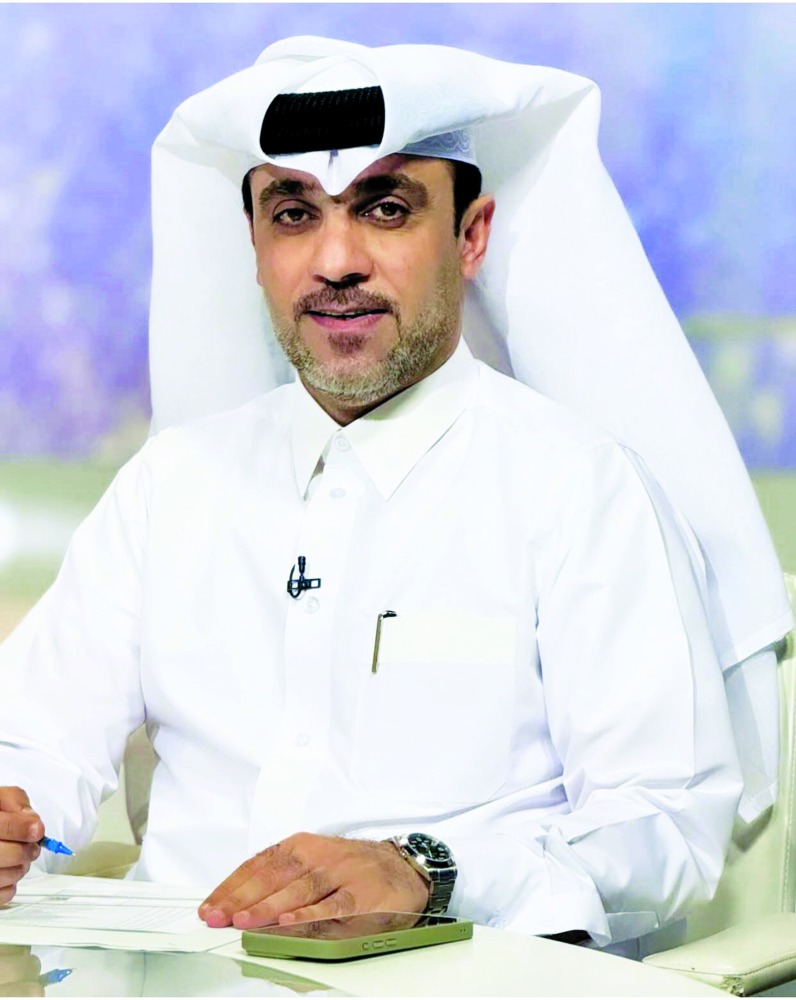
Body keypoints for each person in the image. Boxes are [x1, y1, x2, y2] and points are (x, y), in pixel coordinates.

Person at [0, 37, 791, 954]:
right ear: (253, 245)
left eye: (385, 208)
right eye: (294, 213)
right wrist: (16, 816)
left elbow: (662, 830)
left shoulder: (581, 489)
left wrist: (431, 874)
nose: (336, 260)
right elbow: (38, 742)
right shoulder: (169, 486)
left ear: (471, 235)